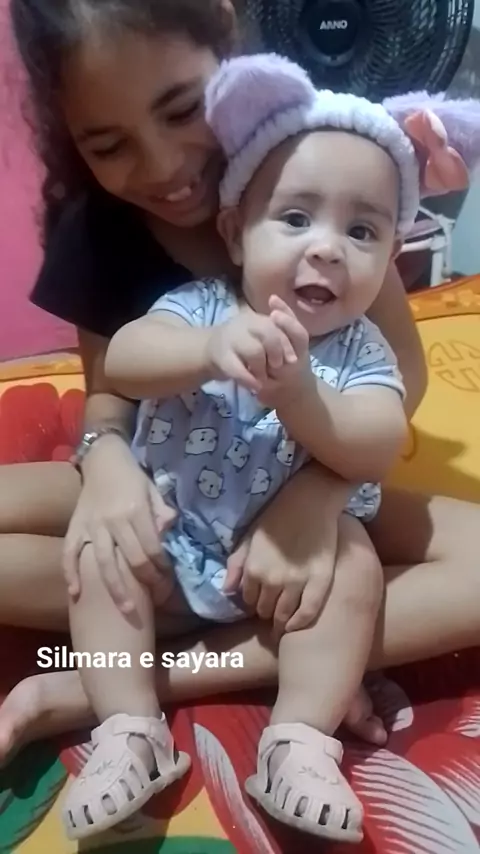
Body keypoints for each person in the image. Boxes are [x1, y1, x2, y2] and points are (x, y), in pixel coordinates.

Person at [1, 0, 480, 776]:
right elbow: (109, 392)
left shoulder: (314, 169)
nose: (162, 165)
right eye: (109, 145)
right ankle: (159, 644)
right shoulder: (99, 229)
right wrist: (108, 469)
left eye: (180, 109)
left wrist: (319, 497)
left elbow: (403, 368)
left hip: (305, 465)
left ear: (226, 39)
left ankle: (116, 684)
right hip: (174, 476)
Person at [62, 50, 417, 841]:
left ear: (392, 256)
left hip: (290, 564)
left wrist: (303, 398)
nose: (326, 248)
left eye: (361, 231)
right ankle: (129, 730)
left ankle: (299, 742)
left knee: (357, 566)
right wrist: (206, 349)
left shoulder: (361, 351)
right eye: (295, 219)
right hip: (172, 536)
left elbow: (379, 441)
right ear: (234, 233)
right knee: (97, 556)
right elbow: (124, 361)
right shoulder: (202, 308)